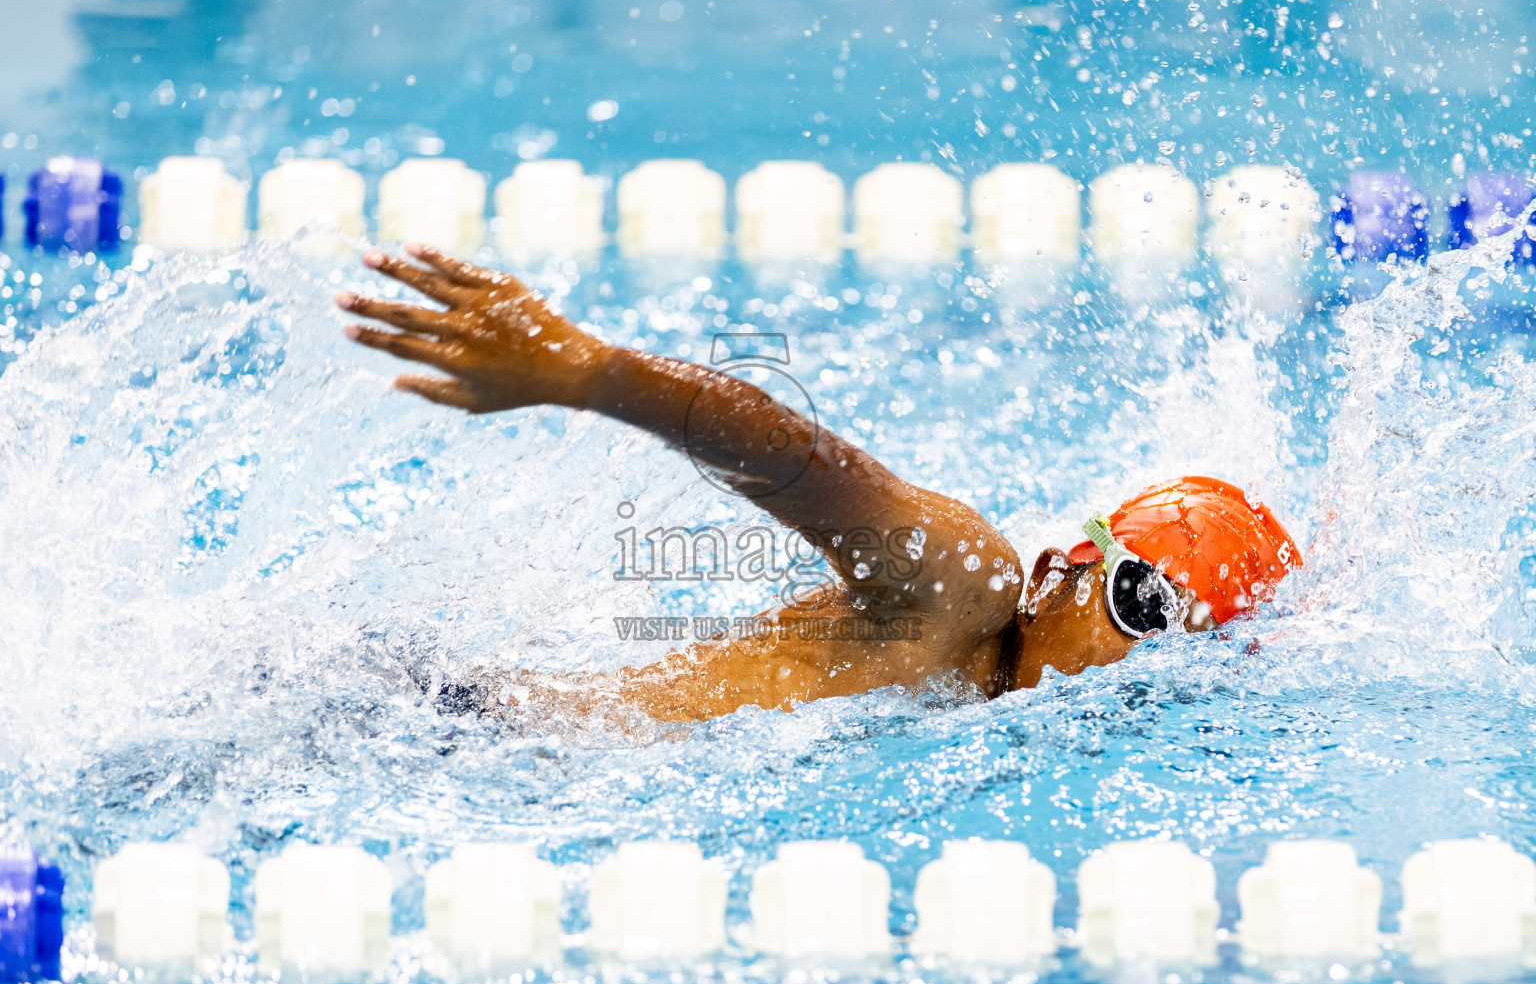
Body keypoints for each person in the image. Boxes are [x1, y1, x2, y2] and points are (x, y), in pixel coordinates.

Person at [338, 244, 1302, 723]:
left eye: (1191, 650)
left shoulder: (991, 708)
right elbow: (802, 468)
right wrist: (589, 372)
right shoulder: (963, 591)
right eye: (1143, 604)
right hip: (456, 727)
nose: (1148, 665)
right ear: (1066, 570)